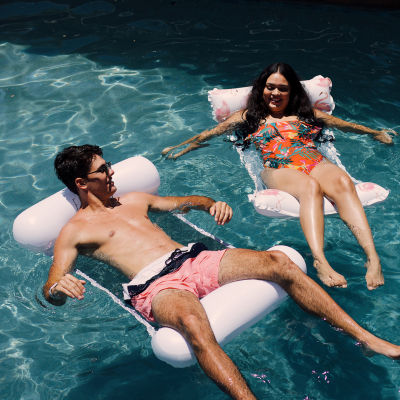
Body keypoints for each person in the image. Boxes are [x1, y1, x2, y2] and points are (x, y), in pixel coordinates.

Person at [43, 144, 400, 400]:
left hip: (193, 259)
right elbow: (52, 286)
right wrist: (60, 288)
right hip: (156, 286)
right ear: (81, 183)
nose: (112, 172)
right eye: (103, 170)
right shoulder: (74, 232)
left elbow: (186, 202)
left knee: (278, 262)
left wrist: (212, 204)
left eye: (109, 165)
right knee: (193, 325)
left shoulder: (133, 199)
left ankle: (365, 338)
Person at [161, 62, 398, 290]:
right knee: (309, 187)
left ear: (292, 91)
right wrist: (180, 148)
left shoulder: (307, 114)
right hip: (277, 167)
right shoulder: (249, 116)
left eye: (282, 89)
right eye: (270, 87)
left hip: (313, 160)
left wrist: (375, 133)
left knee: (343, 181)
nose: (275, 93)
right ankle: (320, 260)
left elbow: (344, 125)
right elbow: (208, 134)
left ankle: (372, 257)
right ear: (261, 88)